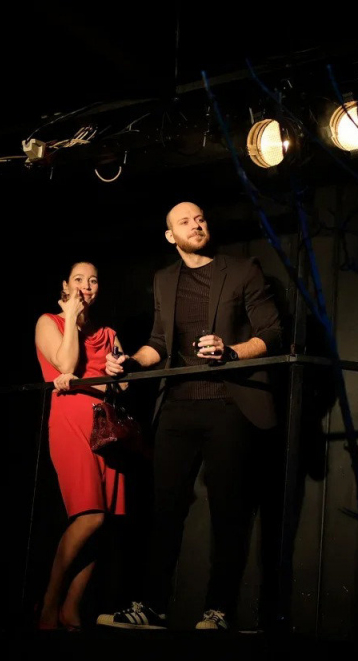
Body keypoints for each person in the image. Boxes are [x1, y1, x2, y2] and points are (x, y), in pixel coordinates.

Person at [97, 200, 283, 631]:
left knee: (228, 510)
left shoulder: (243, 270)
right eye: (185, 221)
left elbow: (272, 332)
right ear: (170, 235)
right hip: (177, 406)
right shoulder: (164, 279)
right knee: (164, 509)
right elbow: (159, 343)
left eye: (200, 218)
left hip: (229, 404)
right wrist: (129, 362)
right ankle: (152, 606)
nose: (196, 225)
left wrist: (230, 351)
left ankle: (218, 610)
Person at [34, 260, 129, 631]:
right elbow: (65, 363)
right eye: (78, 279)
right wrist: (71, 315)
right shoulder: (49, 322)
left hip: (105, 423)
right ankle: (49, 601)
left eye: (92, 280)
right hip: (71, 419)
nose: (86, 285)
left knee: (103, 522)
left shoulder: (108, 332)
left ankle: (71, 608)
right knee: (90, 515)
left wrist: (117, 373)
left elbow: (123, 385)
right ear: (65, 285)